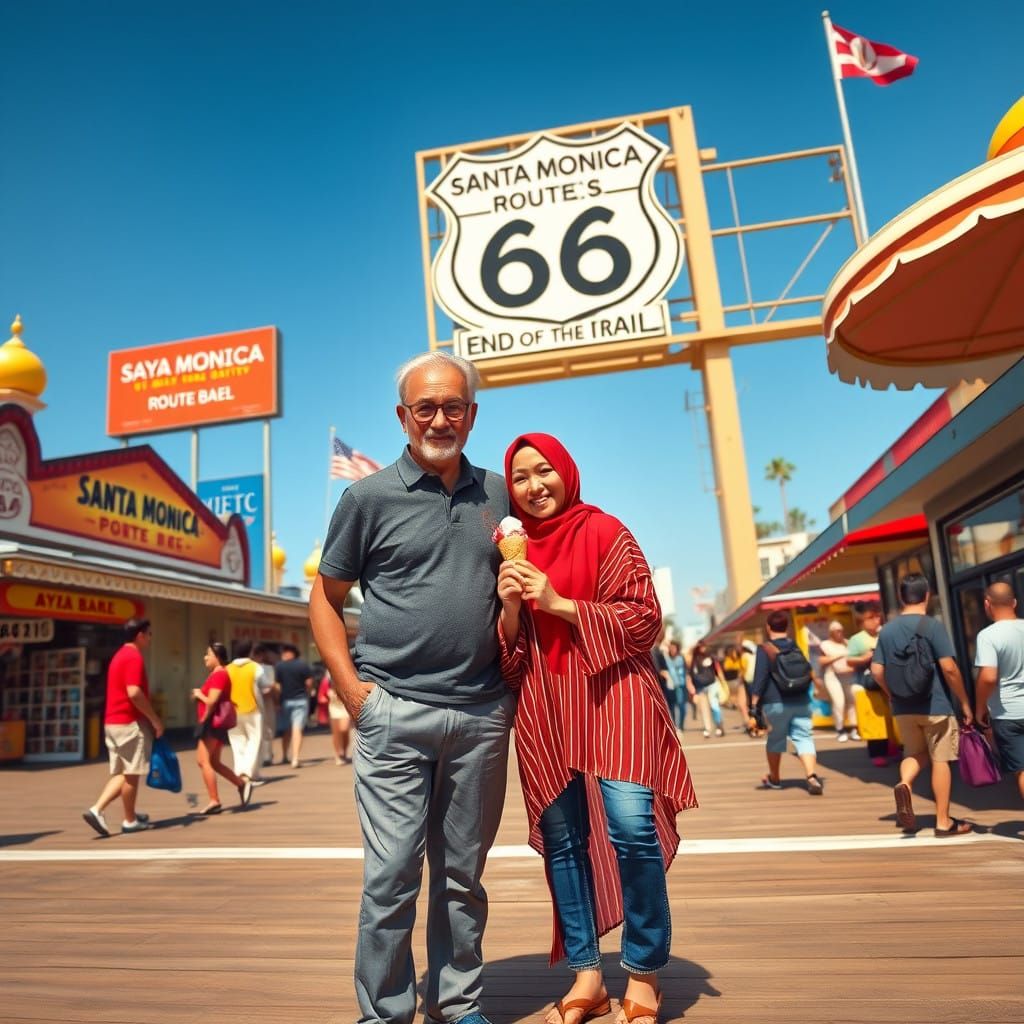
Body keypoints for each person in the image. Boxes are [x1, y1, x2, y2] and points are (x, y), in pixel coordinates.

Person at [309, 350, 513, 1024]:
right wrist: (351, 690)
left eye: (453, 406)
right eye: (425, 406)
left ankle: (459, 1004)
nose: (440, 418)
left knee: (462, 877)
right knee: (391, 874)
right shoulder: (366, 498)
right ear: (403, 416)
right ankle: (385, 1013)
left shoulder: (501, 492)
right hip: (392, 709)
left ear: (472, 415)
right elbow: (325, 597)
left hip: (481, 713)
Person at [497, 433, 696, 1024]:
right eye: (521, 478)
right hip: (546, 702)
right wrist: (511, 607)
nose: (534, 487)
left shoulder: (608, 531)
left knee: (632, 829)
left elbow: (645, 620)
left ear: (566, 472)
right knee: (563, 841)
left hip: (615, 694)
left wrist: (560, 604)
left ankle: (643, 972)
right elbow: (509, 663)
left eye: (544, 472)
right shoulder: (511, 550)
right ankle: (588, 975)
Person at [871, 573, 973, 837]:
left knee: (914, 753)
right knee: (941, 759)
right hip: (935, 705)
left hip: (904, 707)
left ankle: (904, 783)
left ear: (901, 597)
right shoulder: (933, 626)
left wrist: (891, 693)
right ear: (927, 595)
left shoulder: (887, 630)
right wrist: (964, 702)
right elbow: (949, 669)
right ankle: (943, 822)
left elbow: (876, 670)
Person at [83, 618, 164, 836]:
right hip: (129, 723)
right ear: (140, 635)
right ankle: (128, 820)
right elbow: (134, 693)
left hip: (112, 722)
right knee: (131, 773)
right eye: (149, 634)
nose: (150, 638)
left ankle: (98, 810)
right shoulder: (133, 657)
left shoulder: (119, 655)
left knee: (122, 773)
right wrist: (155, 720)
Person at [749, 610, 823, 794]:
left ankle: (775, 778)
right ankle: (811, 775)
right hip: (801, 699)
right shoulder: (794, 646)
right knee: (804, 737)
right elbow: (807, 669)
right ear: (787, 627)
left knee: (776, 740)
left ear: (768, 627)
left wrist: (754, 704)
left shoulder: (765, 649)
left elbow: (760, 678)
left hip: (775, 702)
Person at [974, 582, 1024, 800]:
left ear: (987, 604)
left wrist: (979, 708)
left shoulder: (988, 636)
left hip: (1008, 714)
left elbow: (988, 677)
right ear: (1014, 603)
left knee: (1022, 770)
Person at [191, 642, 252, 815]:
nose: (205, 657)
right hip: (214, 723)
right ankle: (241, 784)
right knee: (214, 762)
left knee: (203, 761)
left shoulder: (219, 675)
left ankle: (214, 800)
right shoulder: (217, 674)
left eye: (208, 654)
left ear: (217, 657)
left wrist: (198, 694)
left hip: (212, 723)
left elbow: (212, 700)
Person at [845, 603, 895, 766]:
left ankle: (893, 746)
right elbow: (849, 660)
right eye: (870, 618)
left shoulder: (886, 633)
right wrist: (864, 657)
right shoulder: (857, 639)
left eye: (877, 616)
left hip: (890, 681)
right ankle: (877, 753)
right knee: (874, 720)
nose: (875, 620)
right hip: (869, 685)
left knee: (891, 717)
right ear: (862, 622)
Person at [227, 639, 265, 785]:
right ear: (250, 651)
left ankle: (239, 772)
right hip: (253, 709)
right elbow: (262, 687)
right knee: (254, 741)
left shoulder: (228, 668)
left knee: (237, 742)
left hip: (233, 710)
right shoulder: (256, 667)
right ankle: (249, 773)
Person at [818, 621, 861, 741]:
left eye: (841, 630)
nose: (839, 633)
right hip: (832, 676)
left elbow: (855, 658)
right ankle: (840, 729)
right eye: (837, 631)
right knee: (839, 702)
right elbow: (821, 661)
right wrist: (838, 656)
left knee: (852, 701)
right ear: (831, 632)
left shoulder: (847, 643)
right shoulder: (825, 644)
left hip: (848, 676)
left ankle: (854, 728)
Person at [275, 644, 313, 768]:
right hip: (301, 700)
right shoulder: (302, 665)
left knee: (286, 729)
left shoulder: (279, 666)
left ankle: (285, 755)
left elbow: (277, 686)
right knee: (297, 729)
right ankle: (295, 758)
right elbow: (309, 682)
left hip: (285, 701)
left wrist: (277, 701)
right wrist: (307, 693)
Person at [688, 640, 725, 738]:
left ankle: (719, 726)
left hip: (712, 684)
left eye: (704, 646)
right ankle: (707, 729)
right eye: (700, 646)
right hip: (700, 687)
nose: (702, 648)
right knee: (703, 709)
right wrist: (693, 689)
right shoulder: (694, 659)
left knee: (714, 705)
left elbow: (717, 669)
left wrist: (723, 681)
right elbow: (691, 674)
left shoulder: (711, 657)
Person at [253, 643, 279, 768]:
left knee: (267, 729)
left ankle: (267, 755)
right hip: (257, 702)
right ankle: (264, 756)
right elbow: (271, 685)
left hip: (265, 702)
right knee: (264, 729)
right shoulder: (254, 668)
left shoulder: (268, 668)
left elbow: (272, 686)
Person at [650, 642, 677, 728]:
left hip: (661, 682)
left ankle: (671, 725)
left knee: (668, 704)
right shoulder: (655, 650)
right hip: (658, 682)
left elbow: (662, 667)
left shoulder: (657, 650)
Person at [664, 640, 689, 731]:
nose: (672, 649)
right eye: (671, 648)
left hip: (681, 685)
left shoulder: (681, 658)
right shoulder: (666, 659)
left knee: (682, 706)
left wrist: (689, 683)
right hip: (670, 686)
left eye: (674, 648)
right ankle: (674, 725)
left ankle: (681, 724)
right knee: (672, 706)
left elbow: (686, 672)